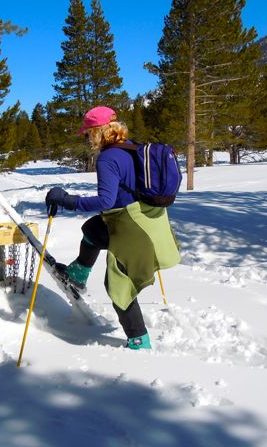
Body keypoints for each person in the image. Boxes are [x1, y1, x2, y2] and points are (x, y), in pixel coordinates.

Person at [45, 106, 180, 350]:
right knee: (93, 229)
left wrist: (67, 200)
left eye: (88, 133)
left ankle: (139, 339)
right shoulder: (132, 148)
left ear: (97, 132)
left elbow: (105, 201)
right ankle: (78, 273)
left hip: (131, 227)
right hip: (150, 220)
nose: (87, 139)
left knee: (119, 286)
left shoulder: (107, 158)